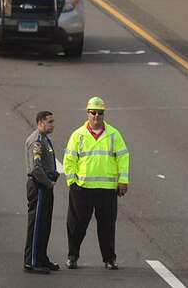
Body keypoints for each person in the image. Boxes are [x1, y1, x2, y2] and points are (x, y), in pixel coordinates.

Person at [64, 97, 130, 270]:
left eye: (99, 113)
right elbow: (69, 160)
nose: (96, 116)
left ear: (103, 114)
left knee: (107, 226)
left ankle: (109, 259)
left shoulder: (114, 135)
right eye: (93, 112)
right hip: (82, 189)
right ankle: (72, 256)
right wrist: (72, 182)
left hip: (107, 190)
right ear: (87, 113)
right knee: (77, 225)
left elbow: (123, 157)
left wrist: (123, 180)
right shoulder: (78, 135)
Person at [24, 110, 60, 274]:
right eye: (49, 122)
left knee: (45, 225)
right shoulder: (36, 141)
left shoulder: (45, 139)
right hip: (38, 186)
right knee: (37, 225)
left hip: (45, 186)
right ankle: (32, 261)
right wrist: (49, 183)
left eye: (53, 121)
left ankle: (42, 257)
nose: (53, 125)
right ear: (40, 123)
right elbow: (36, 169)